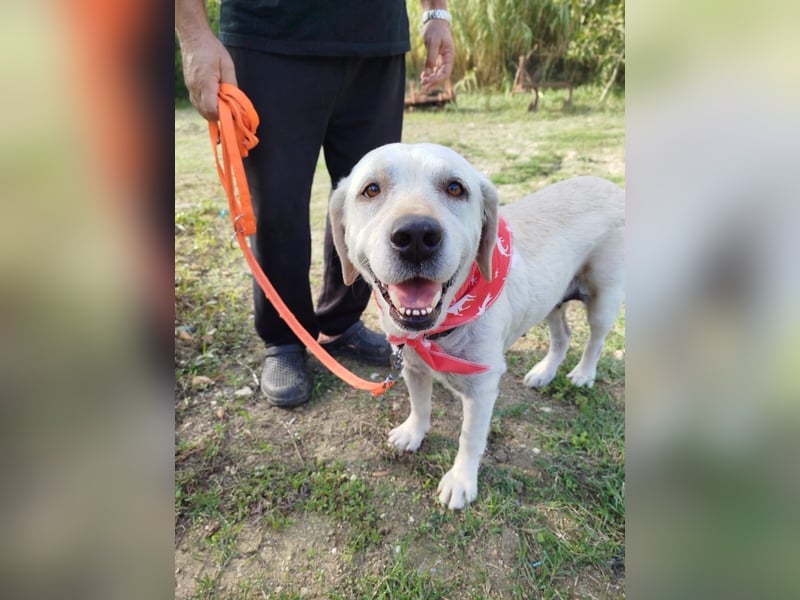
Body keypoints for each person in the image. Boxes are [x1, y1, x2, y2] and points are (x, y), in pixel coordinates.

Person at [176, 1, 455, 407]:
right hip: (270, 39)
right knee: (277, 205)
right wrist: (195, 38)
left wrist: (436, 12)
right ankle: (285, 339)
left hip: (377, 43)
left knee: (372, 198)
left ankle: (341, 321)